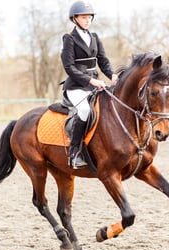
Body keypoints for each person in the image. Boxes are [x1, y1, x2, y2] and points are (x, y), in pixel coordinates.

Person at [61, 1, 118, 169]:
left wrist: (113, 75)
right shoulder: (69, 39)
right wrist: (90, 80)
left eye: (89, 17)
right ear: (75, 19)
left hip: (95, 84)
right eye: (84, 17)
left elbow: (103, 61)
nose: (87, 20)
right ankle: (74, 153)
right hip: (76, 86)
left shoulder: (94, 37)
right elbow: (69, 67)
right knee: (85, 110)